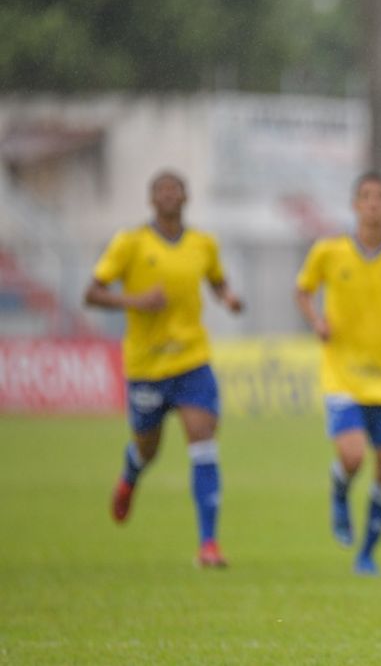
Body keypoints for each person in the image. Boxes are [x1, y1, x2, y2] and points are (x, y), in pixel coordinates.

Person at [85, 170, 244, 568]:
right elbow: (92, 292)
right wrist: (136, 300)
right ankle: (130, 476)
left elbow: (217, 280)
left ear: (187, 196)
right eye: (162, 190)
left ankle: (209, 544)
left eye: (175, 189)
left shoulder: (203, 244)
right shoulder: (130, 243)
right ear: (151, 199)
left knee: (202, 438)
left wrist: (229, 298)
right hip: (147, 365)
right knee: (148, 448)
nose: (169, 195)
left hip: (192, 359)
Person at [294, 171, 381, 577]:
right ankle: (339, 489)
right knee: (353, 455)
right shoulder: (329, 251)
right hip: (343, 375)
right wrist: (316, 321)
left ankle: (367, 553)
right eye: (365, 197)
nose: (373, 204)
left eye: (380, 197)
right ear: (355, 205)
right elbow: (302, 290)